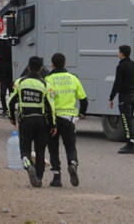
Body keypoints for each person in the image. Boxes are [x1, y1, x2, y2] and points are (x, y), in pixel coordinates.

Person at [8, 56, 56, 188]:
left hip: (25, 120)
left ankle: (27, 163)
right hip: (41, 121)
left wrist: (11, 117)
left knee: (25, 148)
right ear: (41, 69)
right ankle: (39, 178)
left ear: (28, 67)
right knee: (40, 151)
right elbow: (51, 107)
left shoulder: (19, 82)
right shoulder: (46, 85)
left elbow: (11, 101)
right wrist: (53, 125)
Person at [45, 53, 88, 187]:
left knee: (53, 147)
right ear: (64, 63)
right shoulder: (73, 78)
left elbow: (45, 101)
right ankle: (72, 163)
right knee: (70, 145)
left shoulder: (48, 79)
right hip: (69, 118)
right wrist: (81, 114)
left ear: (52, 64)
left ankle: (56, 177)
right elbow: (84, 100)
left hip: (53, 118)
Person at [108, 45, 134, 154]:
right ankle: (131, 142)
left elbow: (117, 83)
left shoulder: (121, 66)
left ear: (122, 53)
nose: (118, 53)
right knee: (129, 118)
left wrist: (111, 97)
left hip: (125, 96)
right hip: (133, 95)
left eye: (119, 52)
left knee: (126, 120)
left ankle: (130, 144)